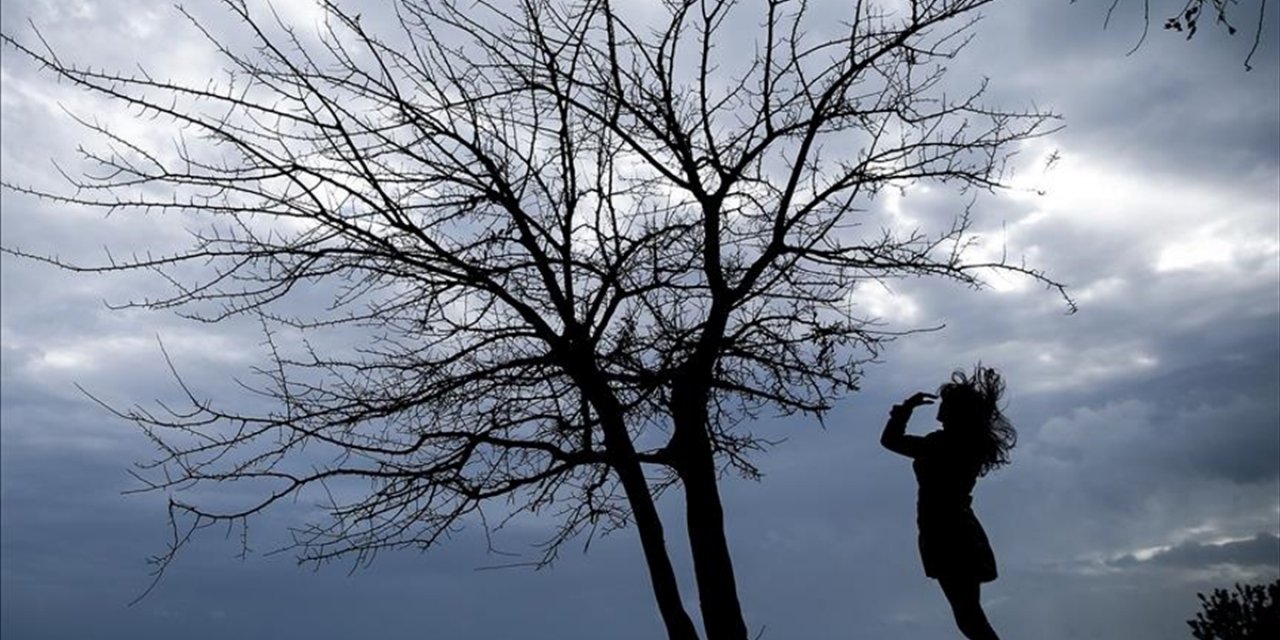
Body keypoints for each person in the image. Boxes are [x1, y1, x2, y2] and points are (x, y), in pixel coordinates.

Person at [880, 366, 1015, 640]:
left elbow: (890, 440)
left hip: (948, 532)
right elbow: (892, 441)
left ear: (956, 414)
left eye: (945, 406)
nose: (939, 411)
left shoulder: (942, 444)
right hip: (953, 529)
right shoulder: (965, 444)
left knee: (968, 616)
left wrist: (906, 409)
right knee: (968, 614)